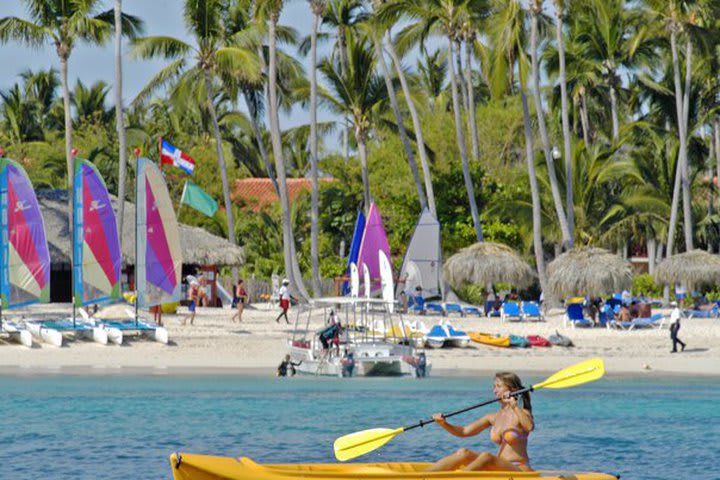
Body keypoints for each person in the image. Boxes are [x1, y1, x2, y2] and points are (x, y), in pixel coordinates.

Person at [426, 372, 534, 472]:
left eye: (498, 386)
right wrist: (443, 424)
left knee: (487, 457)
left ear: (512, 390)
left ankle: (459, 478)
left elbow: (529, 427)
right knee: (464, 453)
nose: (494, 391)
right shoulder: (493, 417)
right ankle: (421, 476)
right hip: (499, 468)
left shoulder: (522, 413)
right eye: (494, 386)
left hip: (519, 469)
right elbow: (464, 431)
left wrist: (514, 406)